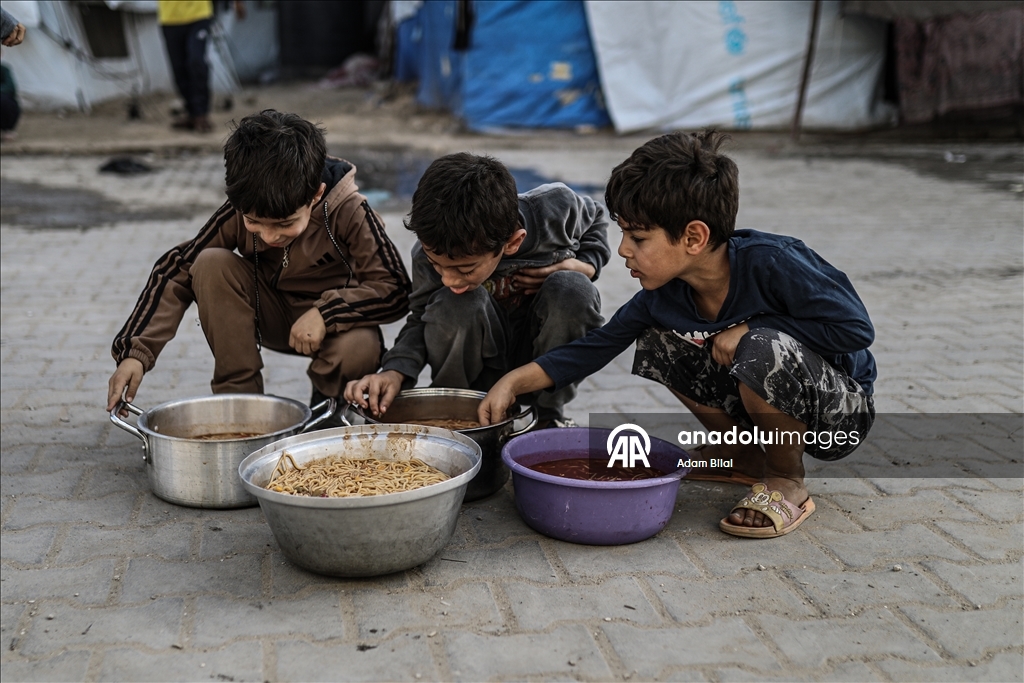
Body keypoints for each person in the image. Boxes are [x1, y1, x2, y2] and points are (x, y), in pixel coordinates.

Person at [479, 131, 876, 539]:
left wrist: (751, 328)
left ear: (693, 238)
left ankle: (785, 478)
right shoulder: (664, 298)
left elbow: (855, 329)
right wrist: (512, 382)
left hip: (838, 413)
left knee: (760, 346)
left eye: (638, 237)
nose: (622, 251)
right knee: (657, 339)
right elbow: (593, 348)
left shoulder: (774, 263)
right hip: (770, 400)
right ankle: (741, 454)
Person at [107, 110, 411, 419]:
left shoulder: (352, 212)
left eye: (285, 223)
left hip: (334, 329)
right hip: (267, 314)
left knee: (361, 344)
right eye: (254, 222)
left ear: (316, 195)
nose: (268, 236)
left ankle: (329, 410)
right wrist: (135, 354)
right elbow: (176, 270)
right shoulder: (241, 208)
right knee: (210, 263)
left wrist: (326, 313)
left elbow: (395, 289)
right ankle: (242, 408)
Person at [344, 153, 610, 427]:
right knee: (455, 302)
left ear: (513, 243)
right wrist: (394, 371)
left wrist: (586, 265)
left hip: (538, 365)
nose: (448, 279)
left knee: (574, 289)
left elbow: (596, 219)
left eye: (465, 270)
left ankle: (548, 416)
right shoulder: (428, 253)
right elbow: (420, 319)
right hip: (476, 372)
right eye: (438, 266)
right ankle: (458, 412)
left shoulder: (556, 208)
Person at [157, 0, 244, 133]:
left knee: (196, 61)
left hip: (198, 15)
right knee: (178, 68)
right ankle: (191, 113)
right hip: (169, 18)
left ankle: (201, 114)